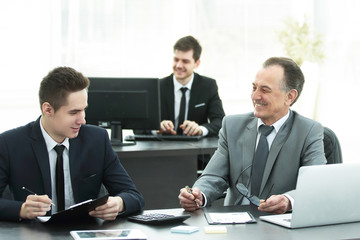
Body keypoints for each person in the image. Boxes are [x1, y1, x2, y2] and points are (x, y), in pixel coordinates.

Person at [178, 57, 327, 214]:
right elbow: (214, 176)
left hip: (278, 224)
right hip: (234, 221)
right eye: (254, 88)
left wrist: (289, 200)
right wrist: (199, 194)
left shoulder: (308, 131)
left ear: (289, 97)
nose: (255, 96)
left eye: (265, 90)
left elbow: (316, 185)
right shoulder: (232, 125)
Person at [0, 67, 144, 221]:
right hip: (35, 234)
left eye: (83, 110)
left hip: (84, 231)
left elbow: (133, 196)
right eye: (73, 112)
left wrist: (118, 203)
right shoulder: (10, 143)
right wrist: (21, 209)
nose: (82, 120)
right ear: (48, 109)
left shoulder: (97, 139)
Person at [159, 35, 225, 137]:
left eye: (185, 61)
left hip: (194, 149)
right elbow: (139, 126)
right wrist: (157, 127)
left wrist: (200, 129)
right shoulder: (159, 86)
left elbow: (220, 121)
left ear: (197, 63)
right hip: (161, 149)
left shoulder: (208, 86)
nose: (179, 65)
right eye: (176, 60)